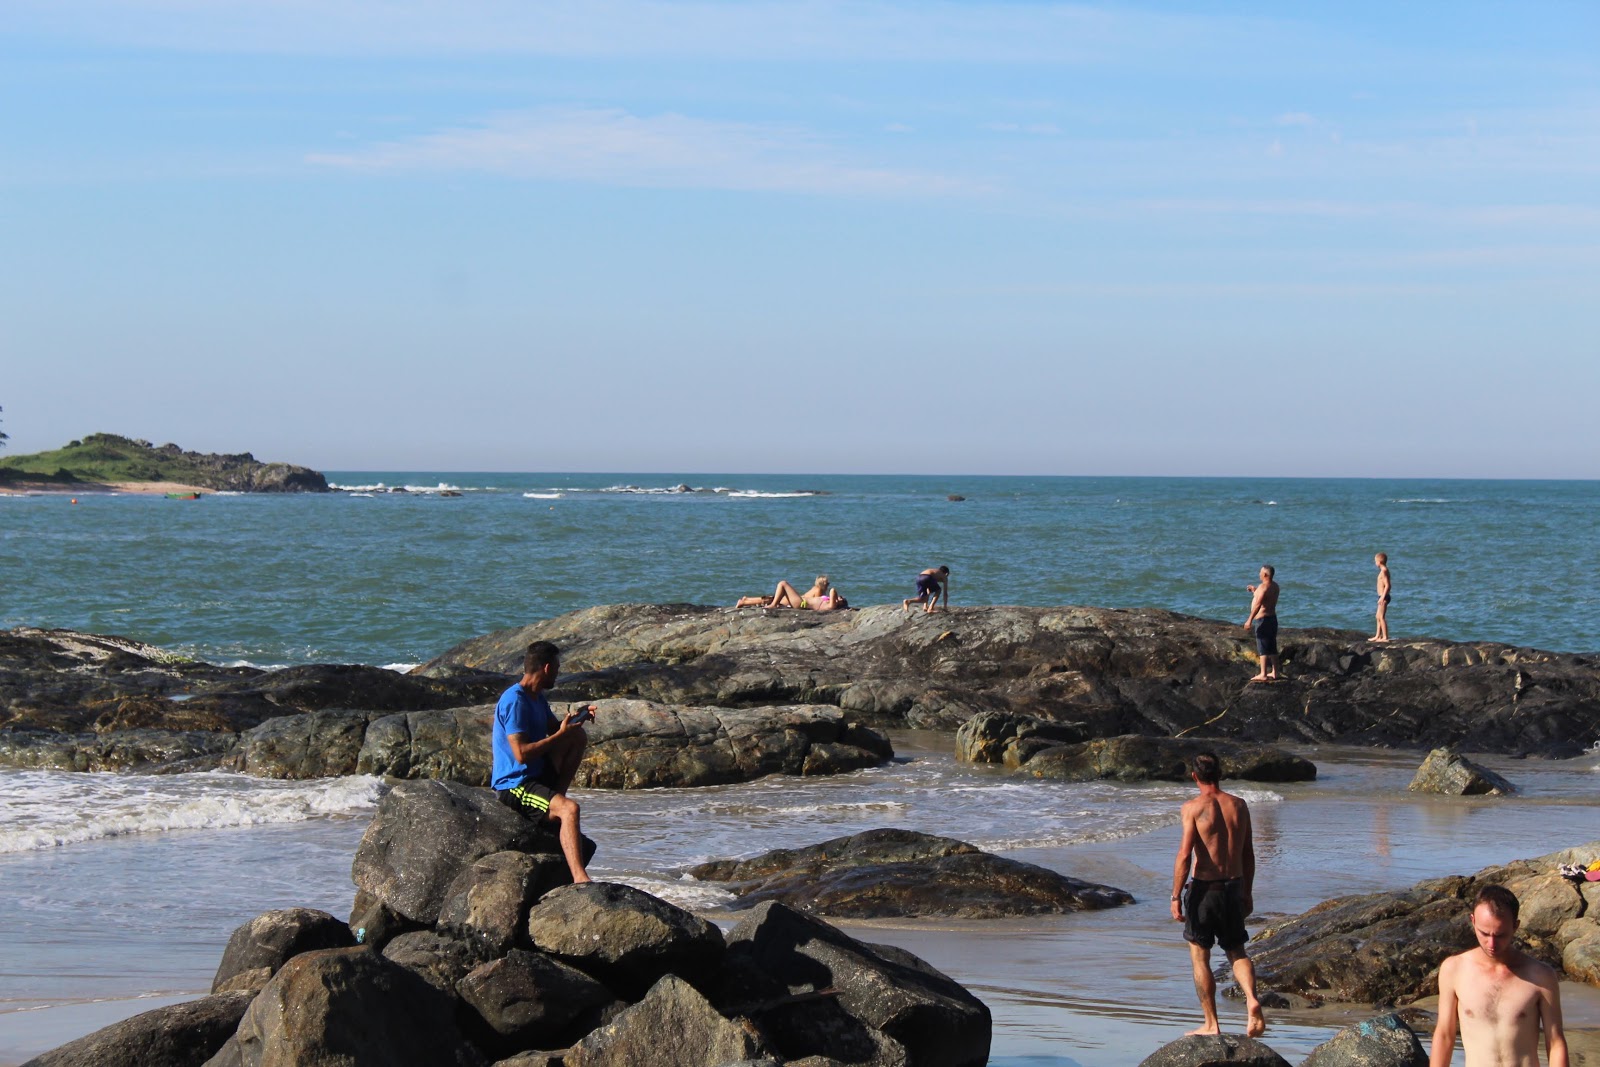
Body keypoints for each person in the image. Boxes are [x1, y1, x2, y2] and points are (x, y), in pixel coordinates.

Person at [1171, 752, 1265, 1037]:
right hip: (1234, 887)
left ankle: (1211, 1024)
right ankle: (1251, 999)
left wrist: (1176, 896)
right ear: (1219, 773)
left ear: (1195, 776)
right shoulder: (1239, 805)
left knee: (1200, 956)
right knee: (1236, 951)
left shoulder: (1193, 808)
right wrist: (1247, 892)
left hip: (1205, 890)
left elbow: (1185, 856)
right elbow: (1248, 853)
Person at [1429, 885, 1567, 1067]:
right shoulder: (1454, 969)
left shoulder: (1541, 975)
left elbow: (1555, 1042)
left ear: (1515, 926)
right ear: (1473, 921)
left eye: (1500, 935)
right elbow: (1445, 1035)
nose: (1491, 943)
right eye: (1484, 933)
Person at [491, 640, 593, 884]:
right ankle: (580, 879)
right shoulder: (515, 700)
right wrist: (559, 735)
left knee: (576, 736)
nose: (558, 674)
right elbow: (522, 754)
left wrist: (579, 716)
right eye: (557, 669)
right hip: (516, 784)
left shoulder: (536, 698)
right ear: (547, 668)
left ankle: (555, 799)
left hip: (537, 773)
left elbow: (556, 731)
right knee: (571, 810)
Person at [1244, 565, 1280, 682]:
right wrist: (1255, 591)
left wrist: (1249, 620)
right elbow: (1266, 599)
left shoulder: (1263, 587)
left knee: (1263, 646)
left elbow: (1258, 604)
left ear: (1265, 575)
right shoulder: (1275, 586)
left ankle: (1263, 674)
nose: (1259, 574)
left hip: (1263, 620)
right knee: (1272, 645)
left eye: (1260, 572)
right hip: (1272, 618)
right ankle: (1275, 672)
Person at [735, 575, 847, 611]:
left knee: (782, 585)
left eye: (842, 598)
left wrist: (837, 600)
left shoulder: (831, 606)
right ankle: (745, 602)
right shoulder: (820, 592)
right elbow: (832, 592)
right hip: (800, 600)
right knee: (771, 598)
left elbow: (833, 591)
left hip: (801, 602)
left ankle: (746, 602)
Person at [1373, 552, 1392, 642]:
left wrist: (1382, 597)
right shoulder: (1382, 570)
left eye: (1375, 561)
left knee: (1381, 617)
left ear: (1379, 562)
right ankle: (1377, 635)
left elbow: (1388, 585)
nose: (1375, 563)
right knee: (1377, 616)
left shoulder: (1384, 571)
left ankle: (1385, 637)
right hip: (1381, 596)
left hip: (1383, 597)